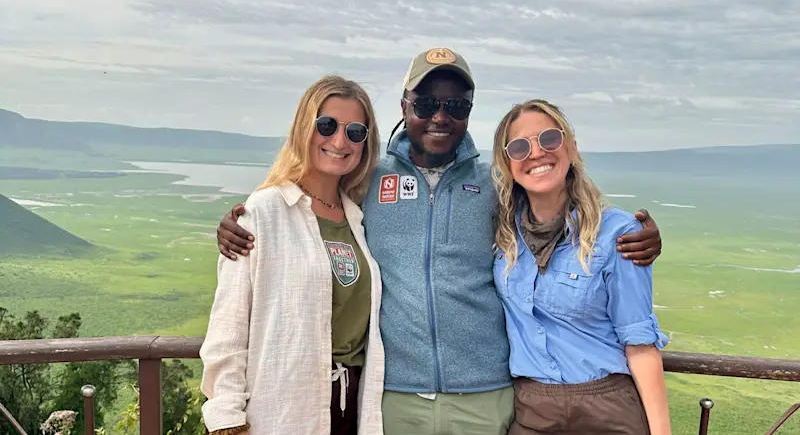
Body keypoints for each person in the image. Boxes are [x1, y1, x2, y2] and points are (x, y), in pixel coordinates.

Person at [214, 48, 664, 435]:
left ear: (469, 110)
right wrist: (244, 221)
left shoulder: (496, 184)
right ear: (405, 105)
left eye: (456, 105)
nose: (440, 116)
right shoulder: (367, 178)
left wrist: (635, 234)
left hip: (486, 396)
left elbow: (555, 207)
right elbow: (308, 200)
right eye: (426, 103)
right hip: (394, 396)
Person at [199, 75, 385, 435]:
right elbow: (229, 324)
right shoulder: (265, 211)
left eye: (355, 132)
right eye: (327, 125)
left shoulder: (359, 218)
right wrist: (226, 416)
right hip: (284, 409)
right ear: (304, 127)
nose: (339, 140)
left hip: (352, 408)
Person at [492, 99, 670, 435]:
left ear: (571, 147)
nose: (536, 153)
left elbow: (639, 343)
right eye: (519, 147)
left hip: (607, 407)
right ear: (507, 164)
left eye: (549, 139)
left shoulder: (618, 234)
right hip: (532, 409)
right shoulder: (501, 234)